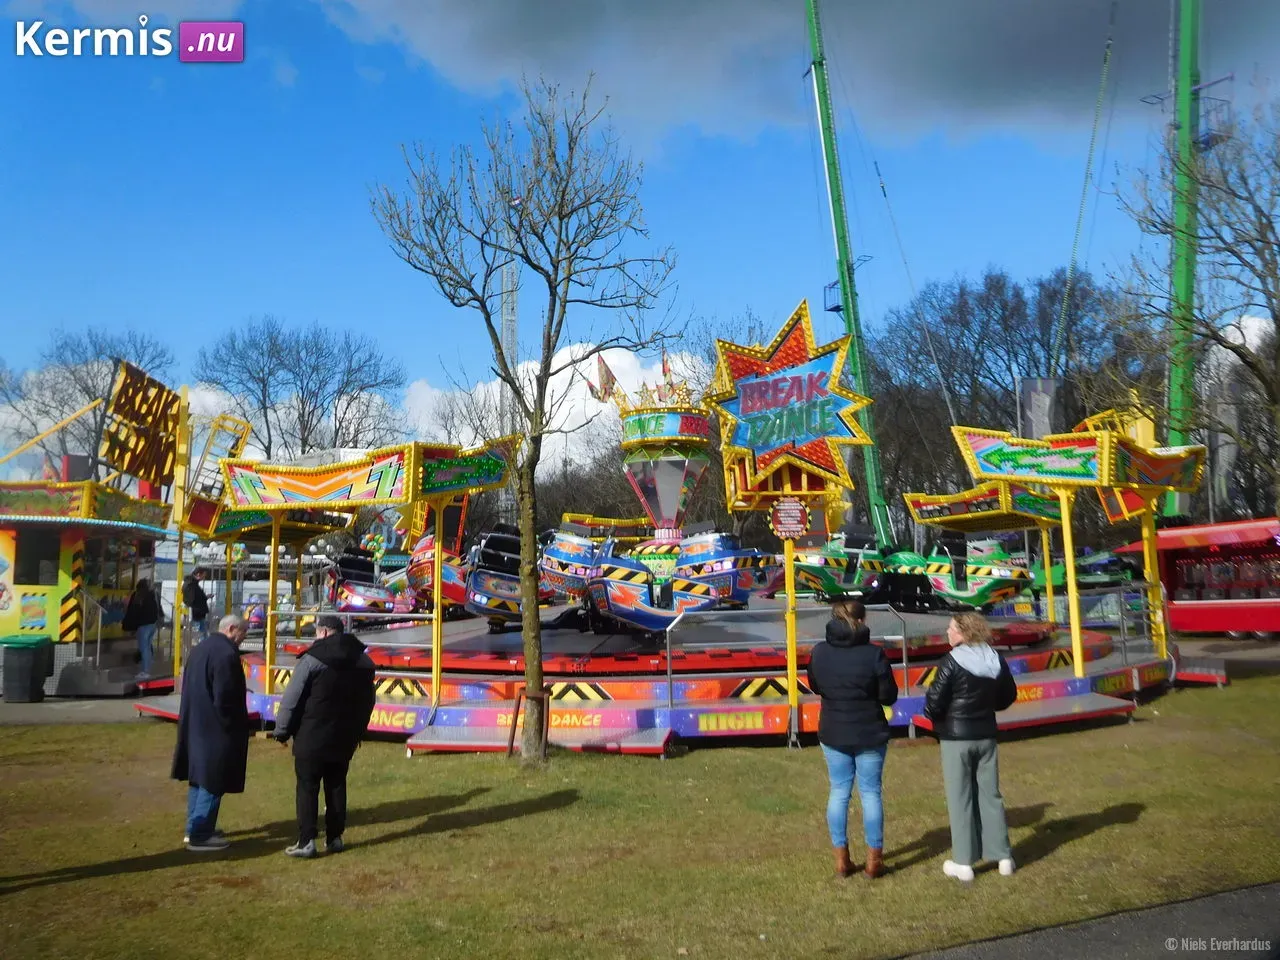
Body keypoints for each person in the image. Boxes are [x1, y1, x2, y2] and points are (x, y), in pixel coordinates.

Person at [806, 597, 899, 879]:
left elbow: (815, 685)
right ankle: (874, 861)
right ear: (863, 621)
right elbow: (888, 695)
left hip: (833, 729)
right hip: (869, 729)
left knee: (838, 792)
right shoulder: (874, 654)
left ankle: (841, 859)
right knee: (870, 793)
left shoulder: (819, 652)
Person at [923, 612, 1019, 883]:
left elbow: (934, 702)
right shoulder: (994, 658)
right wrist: (987, 708)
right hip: (986, 733)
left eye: (952, 628)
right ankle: (1003, 857)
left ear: (964, 633)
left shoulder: (952, 661)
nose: (947, 632)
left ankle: (964, 861)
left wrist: (938, 717)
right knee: (991, 794)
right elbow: (1009, 695)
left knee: (960, 797)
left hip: (957, 737)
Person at [273, 614, 376, 858]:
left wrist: (281, 730)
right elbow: (368, 701)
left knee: (307, 787)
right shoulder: (363, 661)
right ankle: (335, 837)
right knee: (337, 785)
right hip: (344, 736)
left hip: (311, 734)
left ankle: (307, 840)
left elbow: (292, 698)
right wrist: (359, 730)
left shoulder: (311, 660)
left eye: (317, 631)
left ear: (325, 633)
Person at [171, 613, 251, 852]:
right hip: (216, 727)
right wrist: (233, 724)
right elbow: (225, 696)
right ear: (232, 629)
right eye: (243, 633)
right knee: (213, 779)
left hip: (195, 723)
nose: (242, 639)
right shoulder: (226, 654)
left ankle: (193, 828)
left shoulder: (201, 648)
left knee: (199, 777)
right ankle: (201, 834)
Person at [122, 578, 162, 680]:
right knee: (148, 647)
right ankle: (148, 667)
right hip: (153, 624)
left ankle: (145, 671)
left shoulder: (139, 595)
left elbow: (134, 612)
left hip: (143, 625)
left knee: (144, 648)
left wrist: (131, 626)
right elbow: (158, 609)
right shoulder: (154, 594)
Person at [183, 569, 210, 639]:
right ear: (198, 574)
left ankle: (203, 648)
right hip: (196, 614)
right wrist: (203, 598)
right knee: (200, 636)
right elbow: (191, 600)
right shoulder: (191, 585)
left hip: (198, 614)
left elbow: (194, 598)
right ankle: (202, 649)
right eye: (203, 576)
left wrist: (205, 597)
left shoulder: (193, 584)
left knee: (203, 635)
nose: (204, 578)